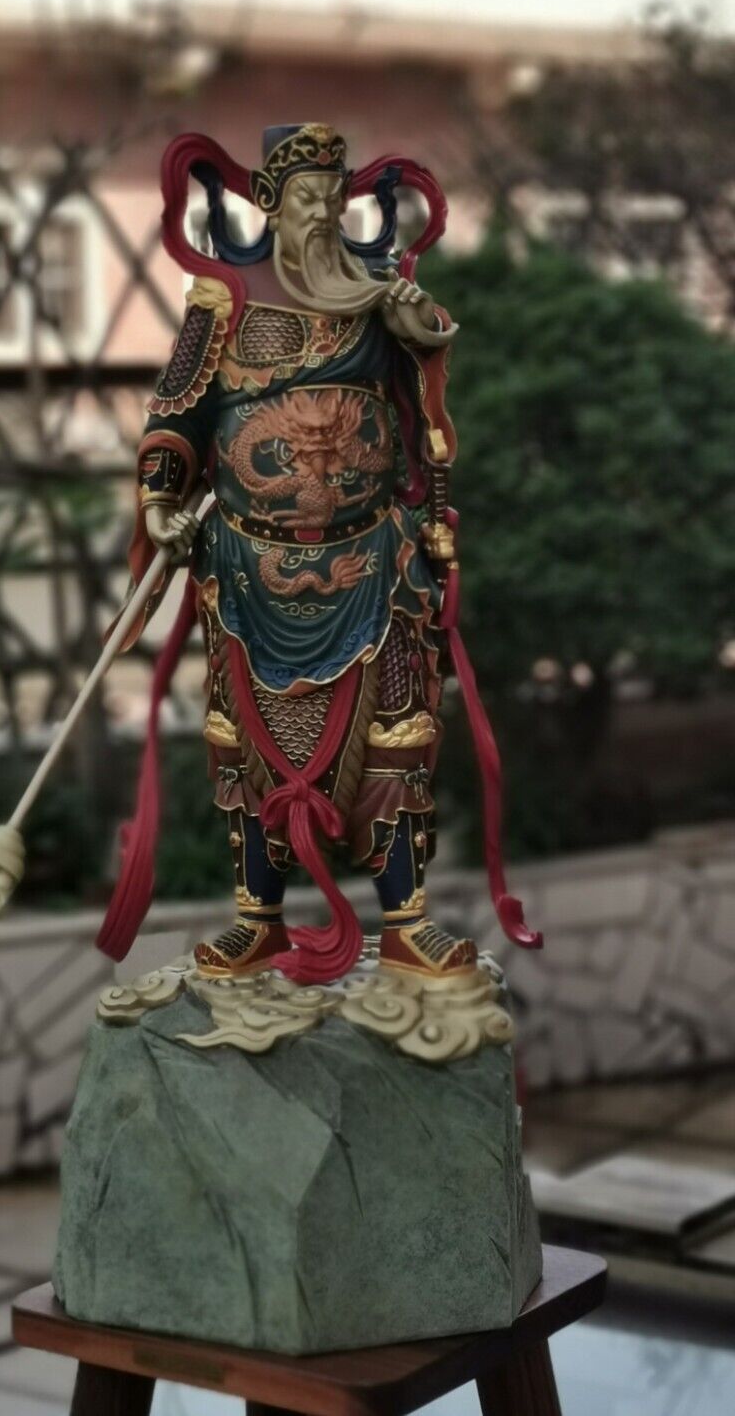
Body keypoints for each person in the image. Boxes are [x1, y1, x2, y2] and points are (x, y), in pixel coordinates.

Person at [103, 124, 539, 983]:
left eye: (334, 195)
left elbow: (425, 407)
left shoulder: (375, 297)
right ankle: (257, 920)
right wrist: (159, 503)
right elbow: (176, 413)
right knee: (241, 743)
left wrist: (420, 333)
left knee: (400, 735)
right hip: (248, 570)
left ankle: (407, 922)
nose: (323, 210)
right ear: (270, 201)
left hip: (374, 563)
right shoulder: (223, 302)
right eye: (307, 194)